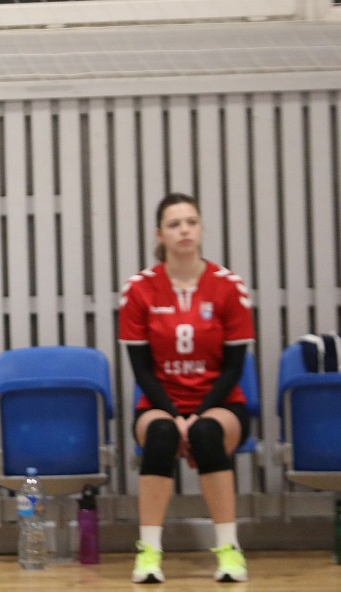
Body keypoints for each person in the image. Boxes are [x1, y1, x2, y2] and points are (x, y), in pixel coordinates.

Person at [118, 192, 253, 584]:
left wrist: (196, 416)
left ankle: (229, 549)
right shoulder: (139, 289)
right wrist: (176, 416)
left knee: (206, 433)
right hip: (160, 403)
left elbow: (234, 368)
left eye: (191, 222)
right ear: (160, 234)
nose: (184, 230)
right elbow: (141, 370)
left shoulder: (229, 286)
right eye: (174, 224)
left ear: (201, 228)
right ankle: (149, 553)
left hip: (220, 403)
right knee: (161, 434)